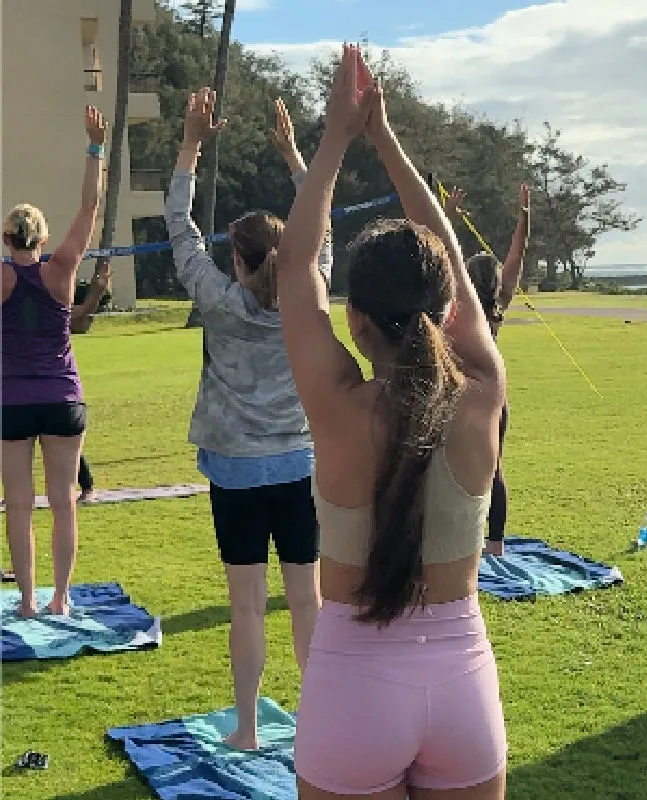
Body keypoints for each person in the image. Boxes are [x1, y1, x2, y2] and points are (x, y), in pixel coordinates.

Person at [281, 45, 507, 799]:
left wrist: (340, 135)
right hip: (462, 689)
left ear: (357, 321)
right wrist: (388, 140)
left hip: (354, 690)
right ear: (446, 309)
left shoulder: (340, 410)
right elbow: (447, 272)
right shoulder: (482, 391)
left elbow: (293, 266)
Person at [167, 90, 326, 750]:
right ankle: (324, 729)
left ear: (237, 259)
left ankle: (248, 731)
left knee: (246, 607)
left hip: (235, 475)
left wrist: (191, 144)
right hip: (296, 467)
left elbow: (179, 224)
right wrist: (293, 154)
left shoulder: (218, 300)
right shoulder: (308, 290)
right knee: (308, 600)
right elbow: (322, 228)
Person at [2, 106, 107, 618]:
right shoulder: (62, 268)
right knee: (64, 501)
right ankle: (60, 599)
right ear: (42, 239)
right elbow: (90, 207)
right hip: (62, 398)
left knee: (18, 506)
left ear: (7, 239)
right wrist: (95, 148)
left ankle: (26, 600)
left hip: (11, 402)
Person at [444, 182, 531, 557]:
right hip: (494, 395)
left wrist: (448, 217)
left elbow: (445, 254)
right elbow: (516, 257)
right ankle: (494, 546)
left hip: (457, 393)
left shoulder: (458, 305)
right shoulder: (498, 304)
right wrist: (523, 219)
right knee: (493, 468)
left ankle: (453, 539)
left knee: (447, 468)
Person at [70, 260, 112, 503]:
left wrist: (97, 292)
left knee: (67, 446)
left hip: (54, 392)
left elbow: (81, 319)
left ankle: (87, 487)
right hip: (22, 391)